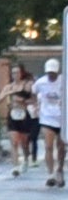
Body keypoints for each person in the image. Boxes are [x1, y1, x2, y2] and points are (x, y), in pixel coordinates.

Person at [4, 68, 40, 177]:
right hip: (12, 116)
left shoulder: (27, 86)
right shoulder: (9, 87)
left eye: (17, 72)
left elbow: (34, 100)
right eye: (13, 72)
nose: (15, 74)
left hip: (24, 116)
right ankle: (15, 166)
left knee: (24, 142)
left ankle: (25, 158)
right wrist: (6, 96)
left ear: (21, 74)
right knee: (14, 142)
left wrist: (23, 101)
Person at [40, 58, 65, 188]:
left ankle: (59, 169)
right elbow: (32, 92)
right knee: (48, 146)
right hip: (47, 118)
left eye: (53, 73)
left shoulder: (64, 81)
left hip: (62, 118)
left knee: (61, 147)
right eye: (49, 73)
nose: (51, 75)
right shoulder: (41, 82)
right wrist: (35, 105)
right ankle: (50, 174)